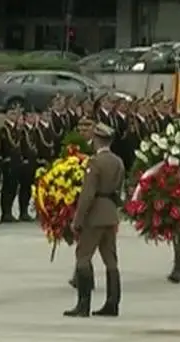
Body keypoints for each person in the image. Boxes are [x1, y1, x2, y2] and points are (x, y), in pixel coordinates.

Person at [65, 123, 123, 318]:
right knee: (110, 260)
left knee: (83, 257)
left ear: (97, 140)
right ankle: (112, 303)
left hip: (95, 214)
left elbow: (88, 194)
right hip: (111, 213)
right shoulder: (117, 161)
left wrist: (78, 219)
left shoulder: (95, 163)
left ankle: (83, 304)